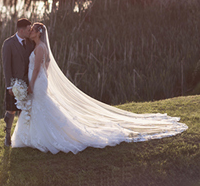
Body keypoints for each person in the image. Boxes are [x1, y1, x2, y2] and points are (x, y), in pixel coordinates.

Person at [11, 22, 187, 153]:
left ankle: (47, 135)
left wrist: (32, 85)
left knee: (43, 107)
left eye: (33, 29)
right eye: (30, 29)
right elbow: (46, 65)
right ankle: (35, 135)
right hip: (41, 81)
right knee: (41, 107)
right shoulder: (39, 47)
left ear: (39, 33)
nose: (30, 31)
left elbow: (36, 69)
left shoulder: (40, 47)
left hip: (38, 83)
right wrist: (42, 78)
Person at [2, 18, 35, 147]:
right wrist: (9, 85)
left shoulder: (31, 43)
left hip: (28, 83)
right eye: (28, 29)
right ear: (21, 30)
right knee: (11, 110)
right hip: (14, 83)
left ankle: (24, 137)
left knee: (26, 110)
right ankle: (7, 136)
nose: (30, 31)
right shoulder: (8, 44)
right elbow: (6, 66)